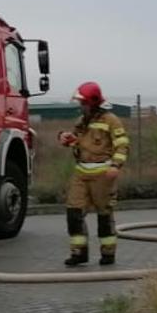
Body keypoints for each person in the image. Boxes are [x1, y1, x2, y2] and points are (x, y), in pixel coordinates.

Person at [57, 81, 128, 266]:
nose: (81, 107)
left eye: (84, 103)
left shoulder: (111, 120)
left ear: (94, 102)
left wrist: (116, 165)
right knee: (74, 212)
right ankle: (79, 252)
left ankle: (108, 253)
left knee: (104, 215)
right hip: (81, 172)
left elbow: (122, 144)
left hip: (103, 175)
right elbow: (77, 141)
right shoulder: (81, 121)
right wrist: (65, 138)